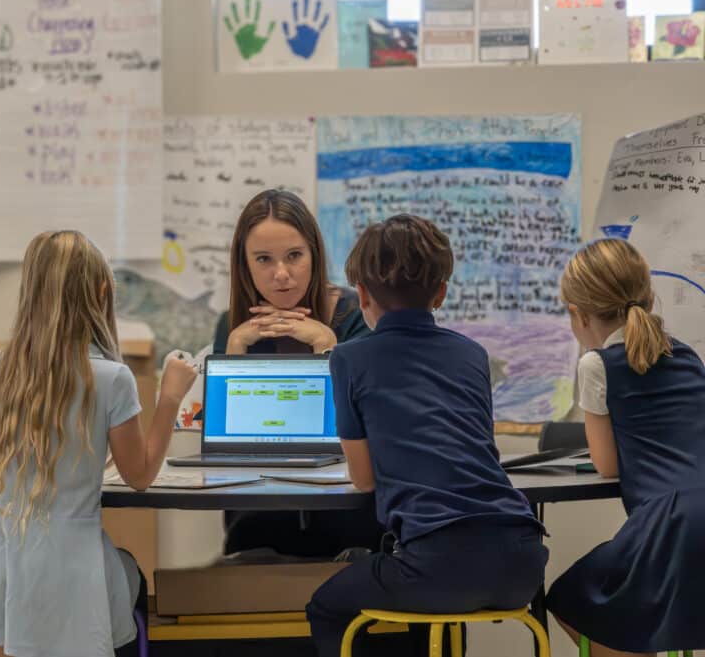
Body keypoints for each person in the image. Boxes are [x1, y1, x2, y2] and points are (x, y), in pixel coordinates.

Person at [0, 231, 198, 657]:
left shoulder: (3, 367)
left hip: (1, 561)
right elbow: (141, 476)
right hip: (72, 568)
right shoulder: (112, 377)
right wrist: (169, 397)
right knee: (133, 581)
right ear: (101, 293)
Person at [306, 214, 547, 657]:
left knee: (326, 607)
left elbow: (364, 480)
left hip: (440, 567)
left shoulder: (348, 359)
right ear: (442, 292)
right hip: (522, 564)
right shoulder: (473, 354)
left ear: (360, 293)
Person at [546, 238, 705, 657]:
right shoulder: (687, 356)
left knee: (569, 598)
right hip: (695, 514)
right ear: (648, 297)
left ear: (578, 316)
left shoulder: (597, 364)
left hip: (669, 525)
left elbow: (607, 464)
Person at [212, 189, 377, 558]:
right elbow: (225, 443)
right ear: (245, 265)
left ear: (314, 255)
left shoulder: (357, 315)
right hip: (258, 509)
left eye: (294, 256)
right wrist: (235, 350)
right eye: (264, 260)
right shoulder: (232, 325)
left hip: (347, 509)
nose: (281, 275)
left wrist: (326, 345)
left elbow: (361, 431)